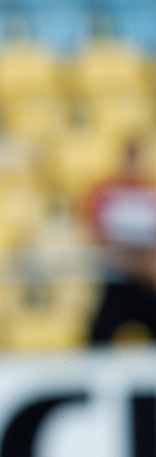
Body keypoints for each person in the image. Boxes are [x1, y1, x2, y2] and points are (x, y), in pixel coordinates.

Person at [86, 138, 156, 345]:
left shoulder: (150, 192)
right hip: (117, 280)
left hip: (145, 281)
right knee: (99, 337)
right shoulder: (105, 192)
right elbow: (97, 236)